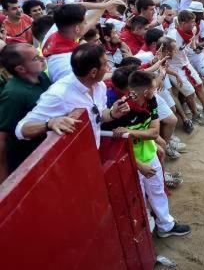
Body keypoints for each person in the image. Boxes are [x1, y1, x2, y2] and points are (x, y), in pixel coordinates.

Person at [101, 70, 191, 238]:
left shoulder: (151, 101)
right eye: (154, 88)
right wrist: (138, 165)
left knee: (157, 192)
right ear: (146, 91)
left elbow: (154, 133)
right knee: (138, 201)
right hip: (130, 164)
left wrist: (129, 132)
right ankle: (145, 239)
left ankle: (166, 226)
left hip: (149, 155)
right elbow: (113, 147)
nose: (156, 90)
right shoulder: (120, 111)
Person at [15, 44, 131, 149]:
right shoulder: (58, 94)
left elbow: (99, 116)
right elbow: (21, 130)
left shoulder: (99, 86)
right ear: (93, 72)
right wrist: (49, 124)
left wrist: (112, 113)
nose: (109, 68)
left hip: (91, 153)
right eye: (106, 64)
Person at [0, 44, 51, 182]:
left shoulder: (42, 77)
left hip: (49, 150)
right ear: (21, 69)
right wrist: (5, 182)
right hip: (29, 161)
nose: (42, 58)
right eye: (35, 58)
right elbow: (2, 139)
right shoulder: (13, 94)